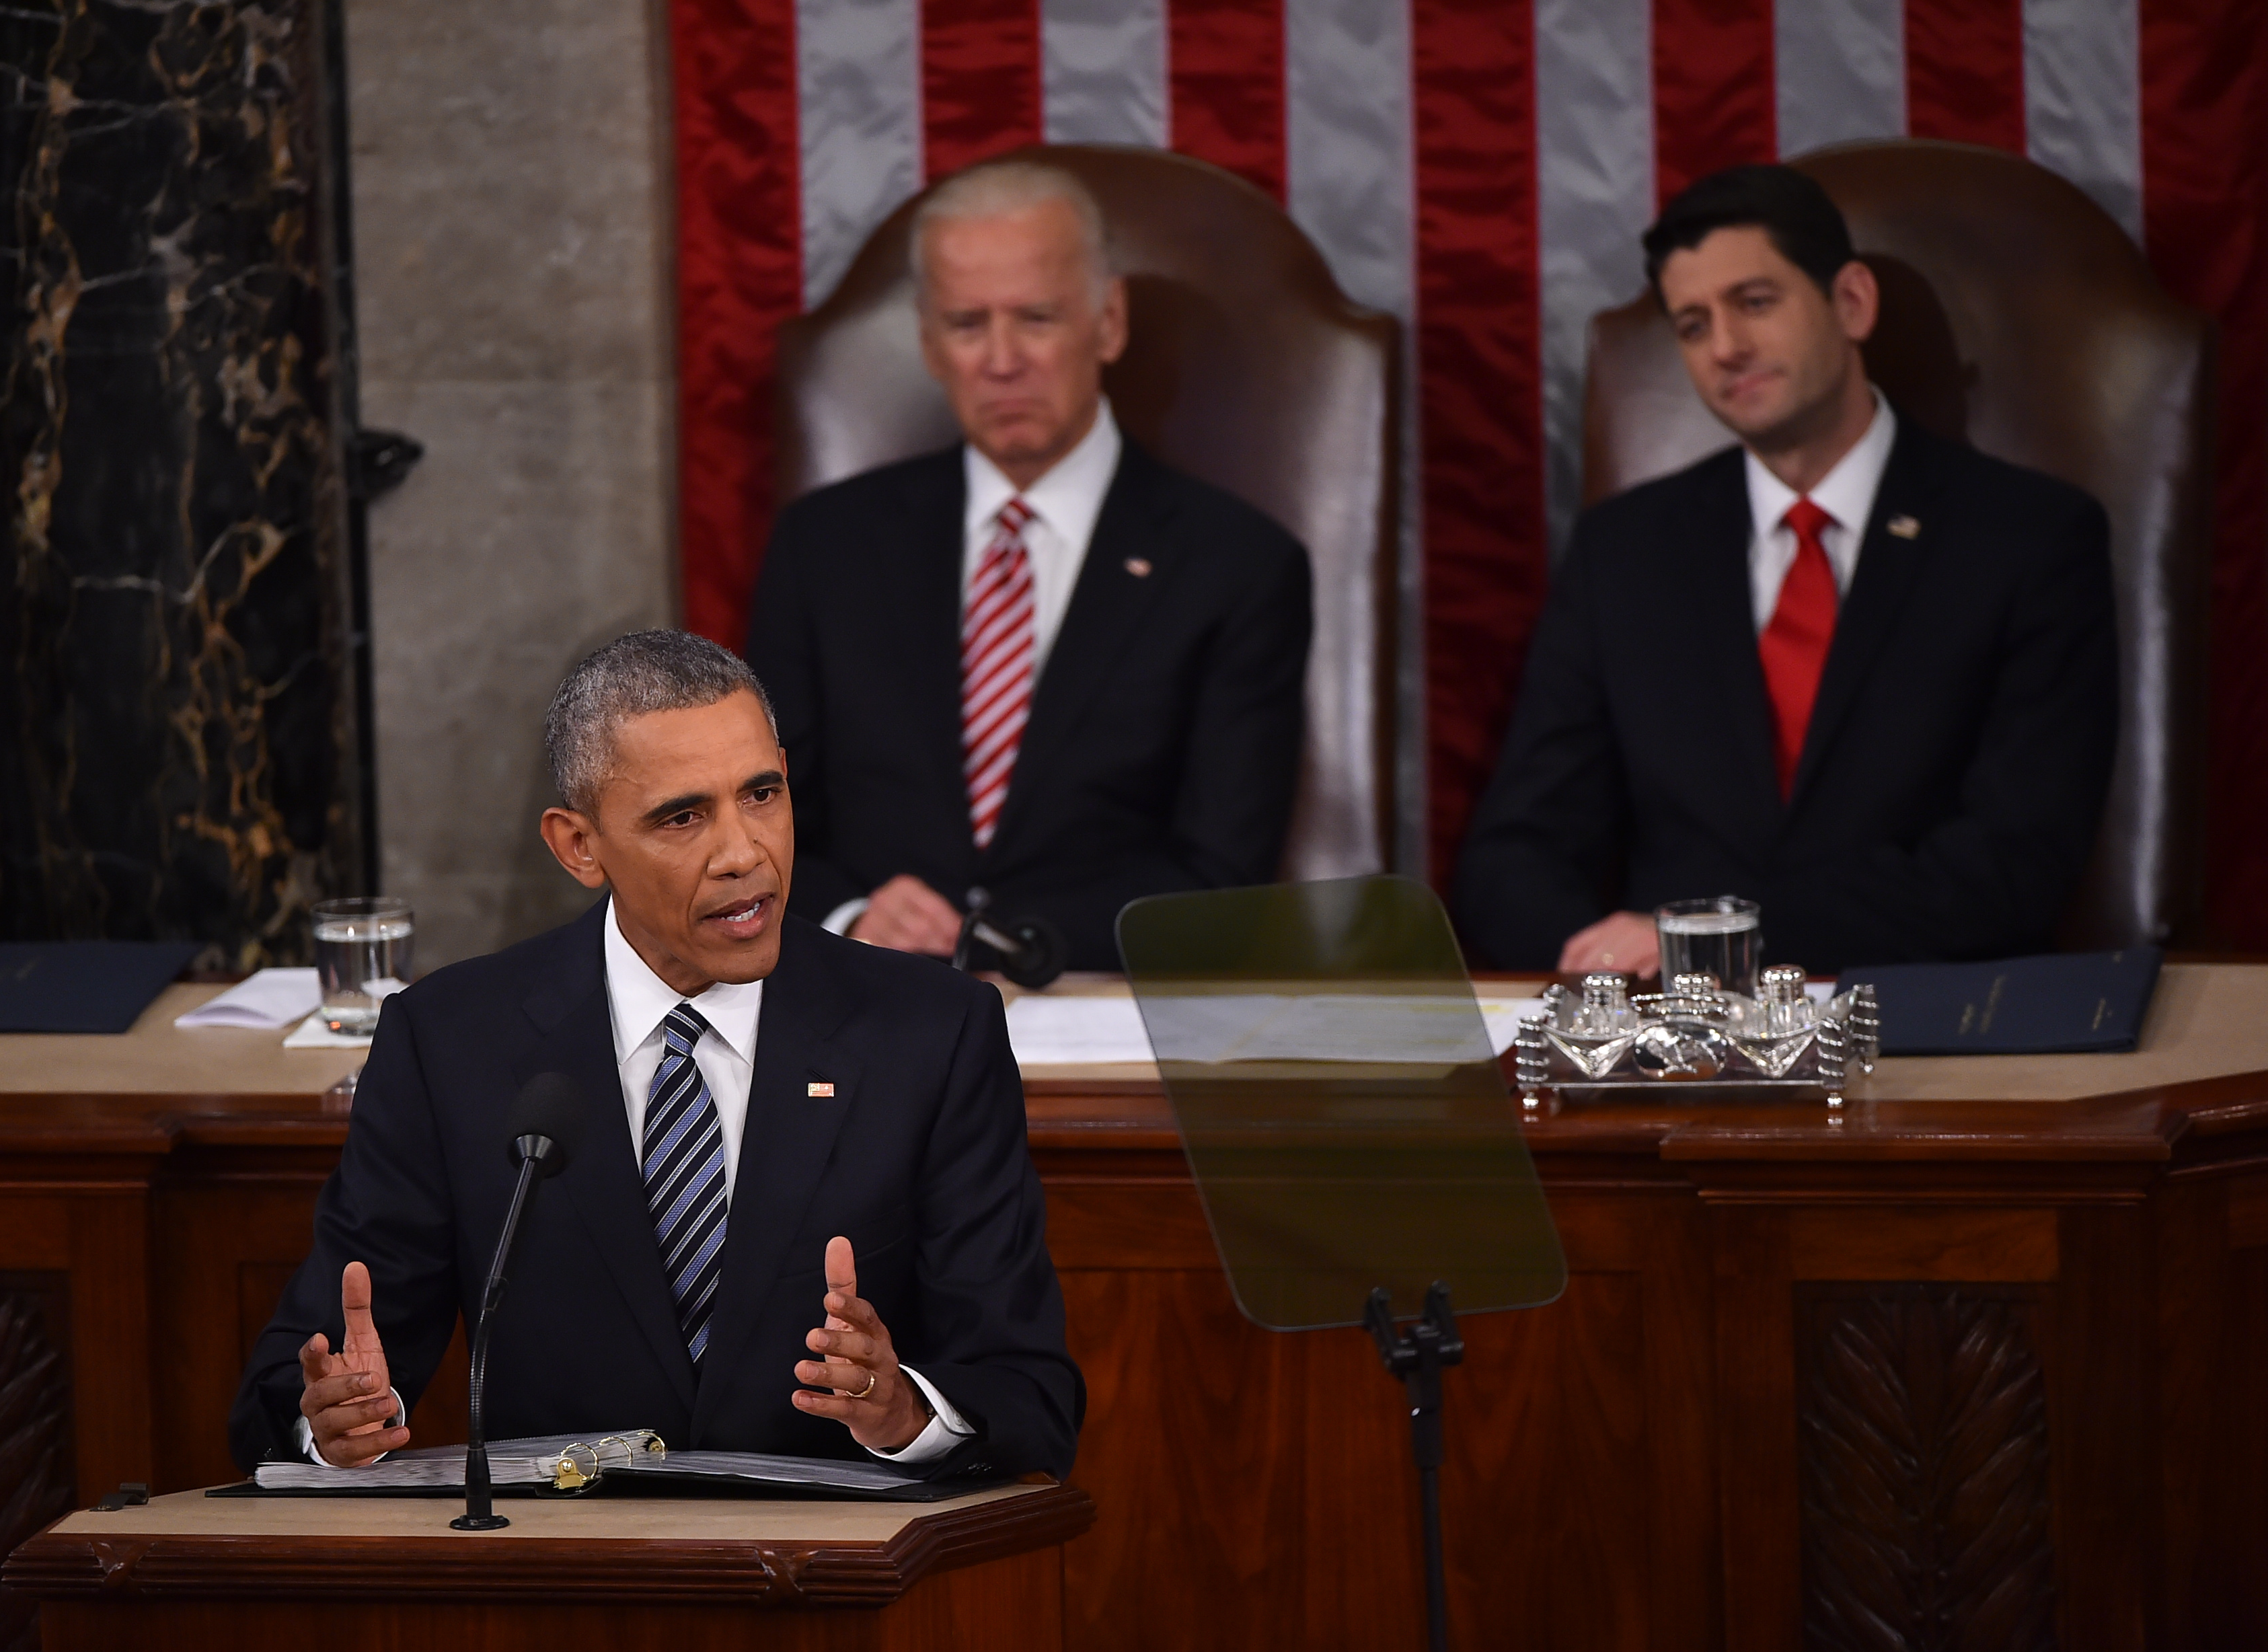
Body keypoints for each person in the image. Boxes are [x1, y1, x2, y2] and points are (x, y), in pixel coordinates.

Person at [229, 630, 1082, 1478]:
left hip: (844, 1578)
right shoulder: (449, 1042)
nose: (744, 852)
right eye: (683, 816)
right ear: (578, 846)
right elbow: (302, 1377)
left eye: (762, 793)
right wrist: (333, 1420)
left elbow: (1029, 1392)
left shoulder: (933, 1032)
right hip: (571, 1581)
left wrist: (902, 1410)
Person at [1452, 164, 2117, 977]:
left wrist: (1712, 942)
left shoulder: (2029, 537)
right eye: (1693, 325)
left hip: (1930, 1036)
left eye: (1754, 303)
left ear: (1852, 303)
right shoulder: (1624, 551)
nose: (1727, 347)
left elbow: (2018, 860)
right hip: (1679, 1051)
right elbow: (1514, 854)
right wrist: (1600, 967)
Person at [746, 157, 1314, 973]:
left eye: (1037, 318)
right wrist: (850, 912)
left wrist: (1003, 942)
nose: (1002, 359)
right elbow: (754, 817)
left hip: (1097, 1005)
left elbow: (1219, 871)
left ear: (1109, 321)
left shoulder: (1237, 565)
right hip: (862, 1002)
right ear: (930, 343)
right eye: (968, 323)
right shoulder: (824, 545)